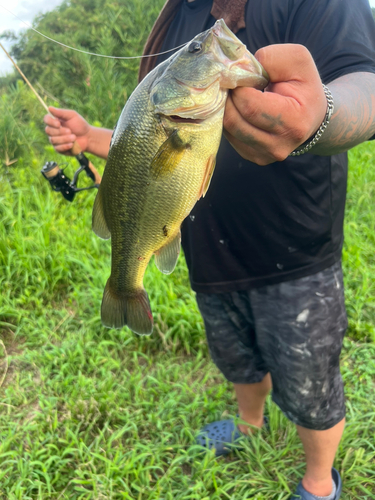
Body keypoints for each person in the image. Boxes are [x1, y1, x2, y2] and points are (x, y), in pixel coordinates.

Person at [43, 1, 375, 498]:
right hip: (204, 247)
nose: (209, 40)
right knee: (236, 357)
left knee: (312, 384)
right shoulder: (179, 12)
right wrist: (91, 137)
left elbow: (366, 83)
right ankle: (249, 424)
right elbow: (153, 134)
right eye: (201, 48)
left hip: (294, 247)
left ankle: (318, 480)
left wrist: (320, 114)